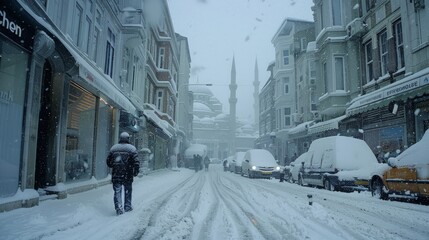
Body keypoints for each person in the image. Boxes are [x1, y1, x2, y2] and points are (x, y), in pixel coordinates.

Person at [106, 132, 140, 215]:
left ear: (120, 138)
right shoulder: (132, 149)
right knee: (127, 190)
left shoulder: (113, 148)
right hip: (128, 174)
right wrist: (135, 171)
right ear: (128, 139)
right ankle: (127, 206)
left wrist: (115, 165)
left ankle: (119, 208)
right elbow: (136, 162)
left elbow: (108, 162)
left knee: (117, 191)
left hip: (116, 174)